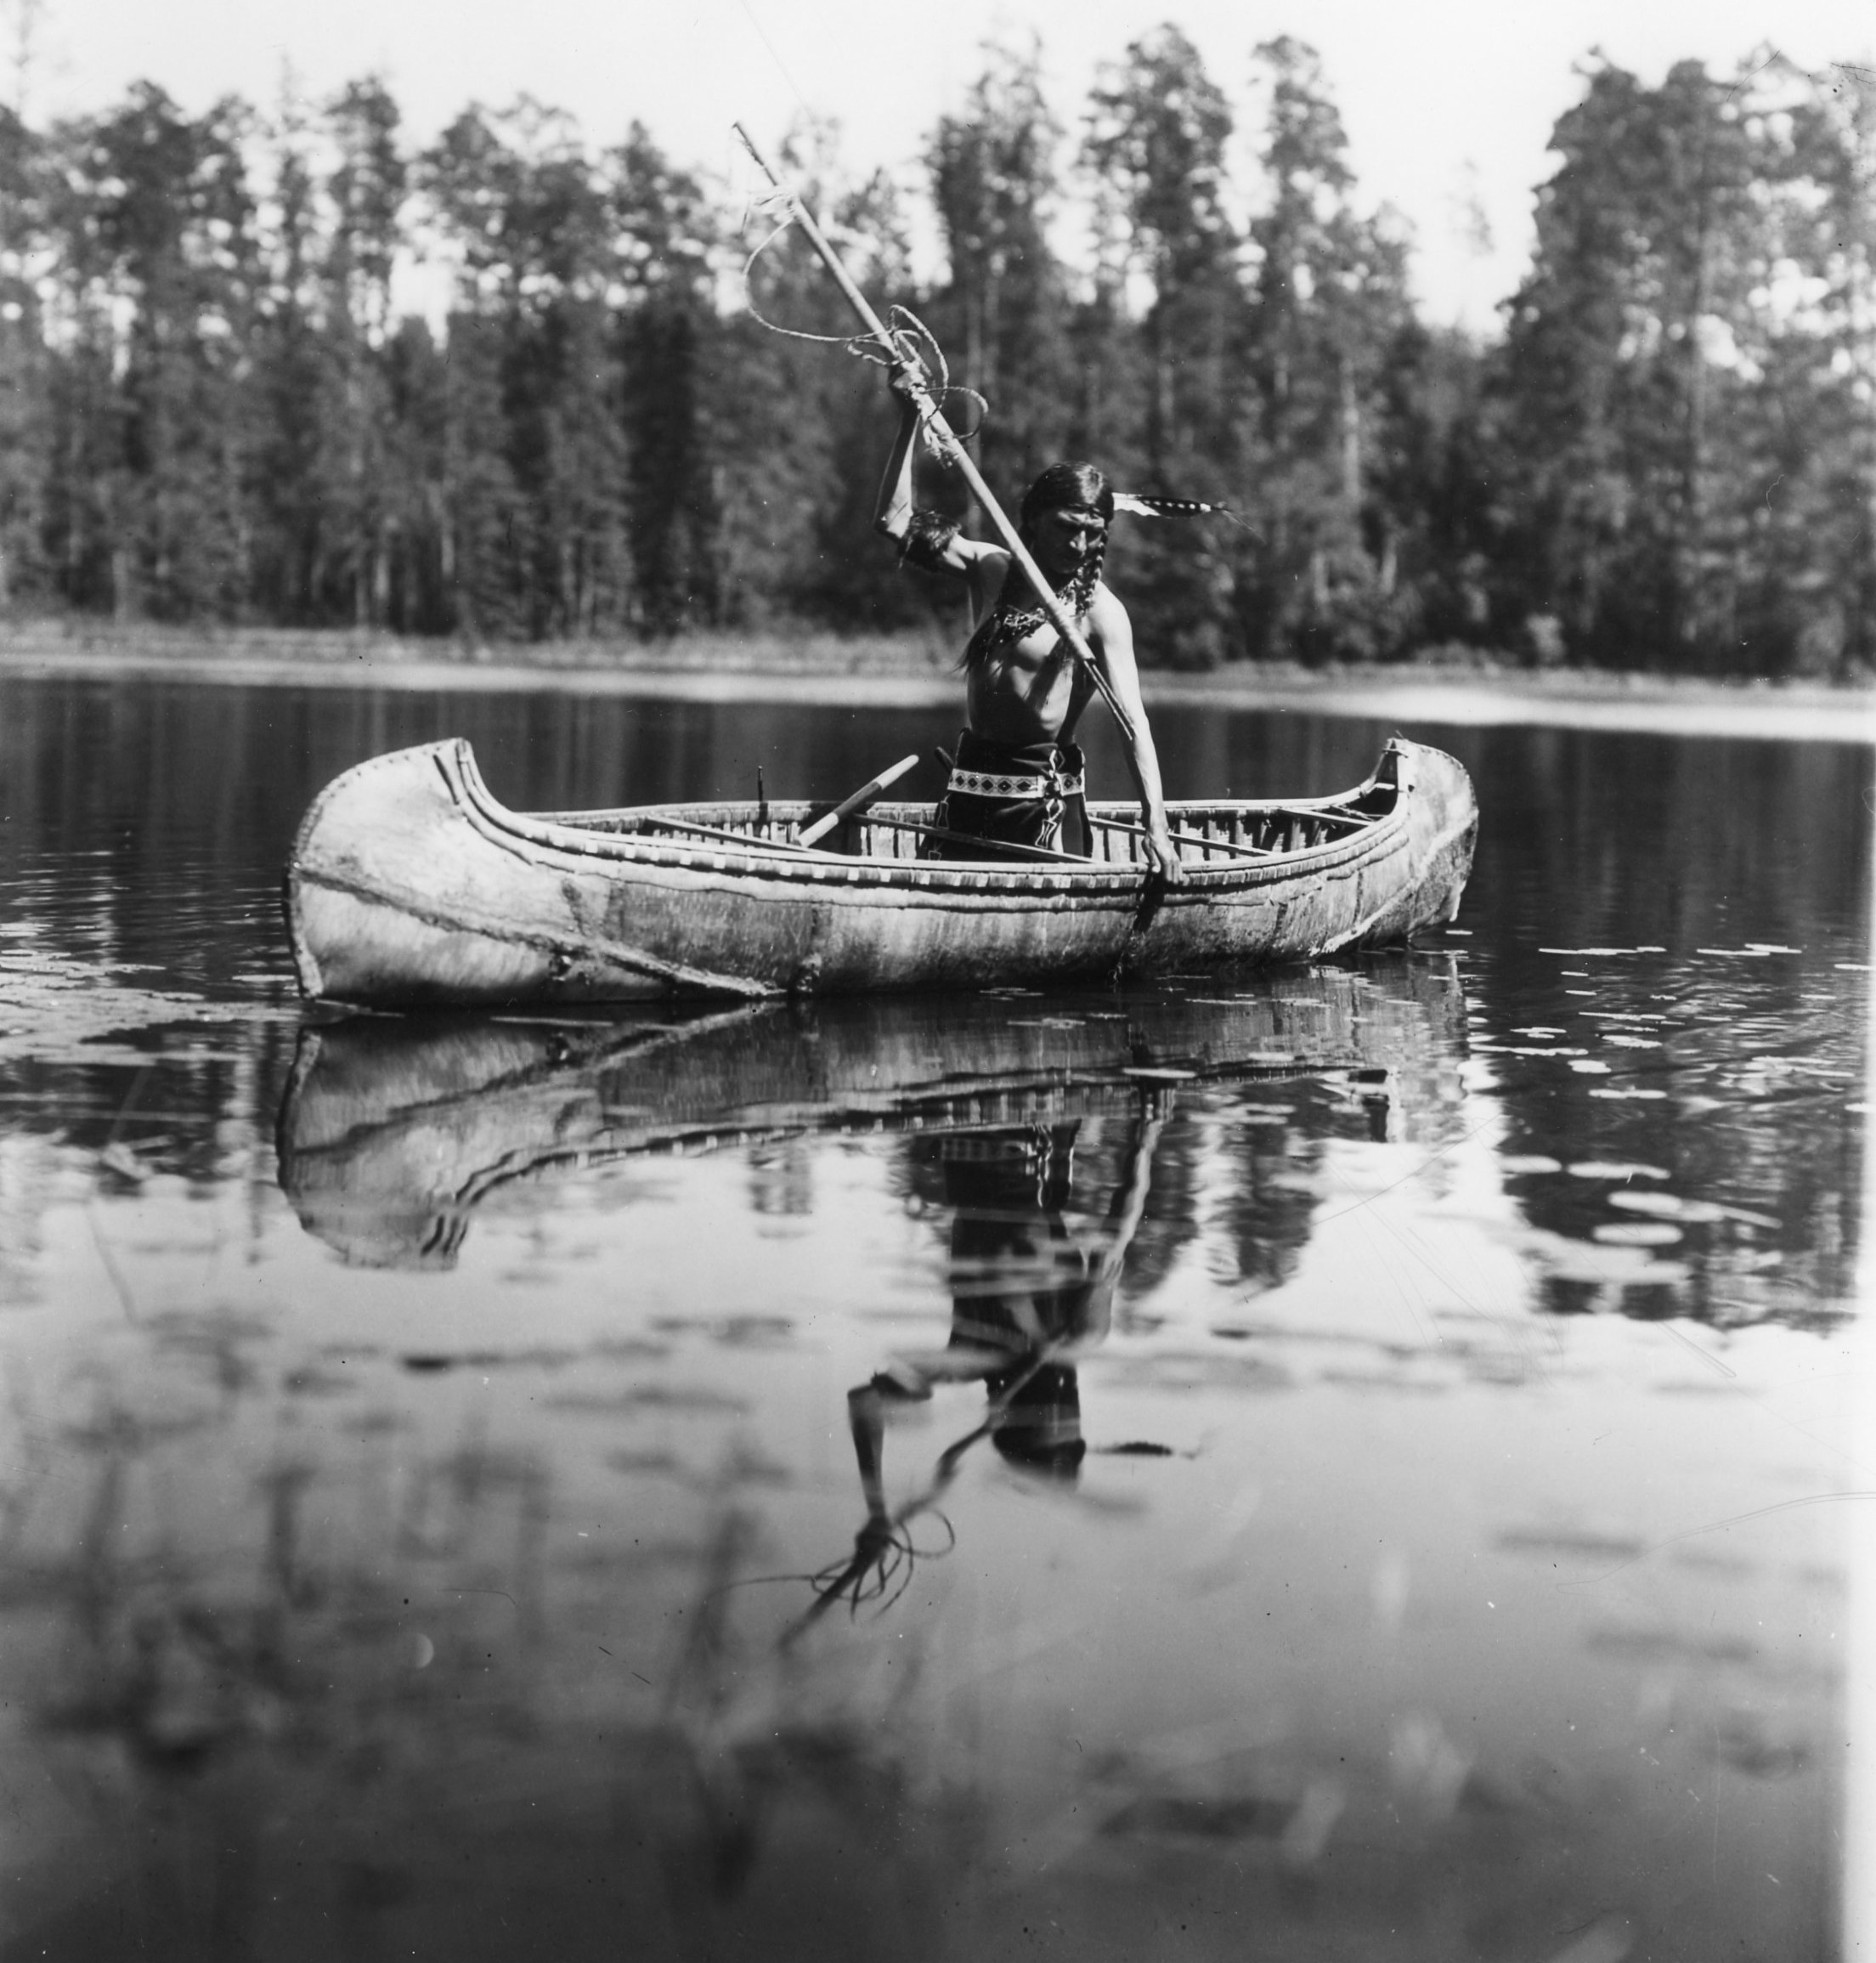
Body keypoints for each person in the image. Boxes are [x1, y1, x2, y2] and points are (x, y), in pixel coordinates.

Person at [874, 376, 1184, 880]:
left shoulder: (1100, 613)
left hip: (1042, 804)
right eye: (1066, 527)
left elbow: (1134, 725)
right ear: (1034, 520)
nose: (1078, 546)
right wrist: (909, 416)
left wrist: (1157, 824)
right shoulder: (991, 569)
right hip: (969, 787)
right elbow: (893, 522)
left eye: (1092, 534)